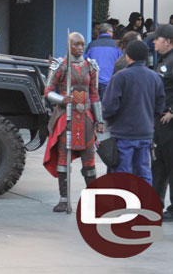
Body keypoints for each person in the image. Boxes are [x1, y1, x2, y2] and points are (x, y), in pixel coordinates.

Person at [43, 32, 105, 213]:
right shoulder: (60, 66)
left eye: (82, 44)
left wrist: (99, 120)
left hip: (85, 117)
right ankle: (63, 199)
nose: (79, 48)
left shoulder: (91, 66)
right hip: (65, 118)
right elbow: (48, 91)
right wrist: (62, 99)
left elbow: (94, 95)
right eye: (76, 44)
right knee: (63, 159)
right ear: (68, 45)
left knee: (89, 159)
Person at [102, 40, 165, 186]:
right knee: (144, 172)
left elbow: (109, 107)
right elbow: (159, 106)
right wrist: (149, 121)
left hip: (123, 134)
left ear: (128, 56)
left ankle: (124, 207)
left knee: (123, 174)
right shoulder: (154, 77)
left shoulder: (120, 77)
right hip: (145, 133)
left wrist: (109, 122)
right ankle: (145, 205)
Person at [148, 24, 173, 221]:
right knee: (159, 165)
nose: (154, 41)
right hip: (159, 123)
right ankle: (156, 204)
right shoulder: (163, 61)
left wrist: (172, 111)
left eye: (157, 38)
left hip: (169, 123)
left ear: (168, 41)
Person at [85, 23, 122, 98]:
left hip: (94, 83)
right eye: (112, 32)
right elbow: (121, 64)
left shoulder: (91, 45)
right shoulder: (117, 46)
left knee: (95, 107)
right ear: (108, 32)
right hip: (111, 83)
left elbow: (85, 63)